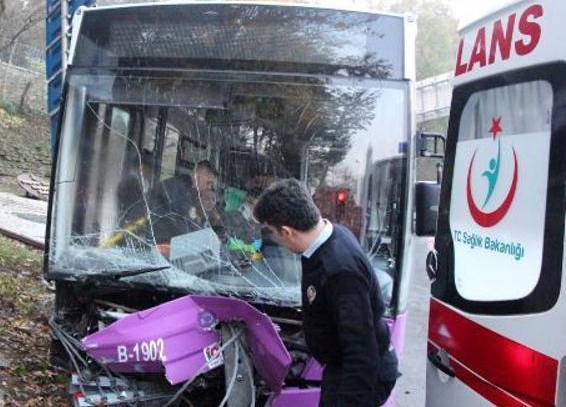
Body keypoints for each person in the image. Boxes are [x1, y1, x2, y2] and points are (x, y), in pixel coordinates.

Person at [253, 179, 399, 406]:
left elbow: (362, 351)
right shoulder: (331, 235)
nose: (275, 240)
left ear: (286, 231)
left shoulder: (340, 270)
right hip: (340, 365)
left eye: (272, 233)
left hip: (360, 375)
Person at [150, 160, 219, 243]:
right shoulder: (179, 190)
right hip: (159, 241)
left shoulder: (188, 190)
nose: (209, 188)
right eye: (209, 183)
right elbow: (185, 226)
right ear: (198, 176)